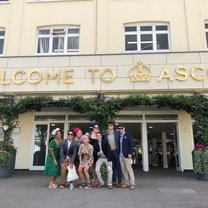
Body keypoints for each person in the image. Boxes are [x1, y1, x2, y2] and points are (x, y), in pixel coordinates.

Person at [104, 121, 122, 187]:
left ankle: (119, 181)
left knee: (118, 166)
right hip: (110, 152)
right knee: (112, 167)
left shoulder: (117, 133)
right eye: (109, 125)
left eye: (111, 125)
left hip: (116, 151)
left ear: (113, 126)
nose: (110, 126)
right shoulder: (105, 135)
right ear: (108, 127)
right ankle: (114, 181)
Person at [118, 124, 136, 190]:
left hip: (127, 155)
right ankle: (126, 183)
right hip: (120, 155)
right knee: (123, 170)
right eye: (119, 128)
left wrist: (130, 153)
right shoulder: (119, 136)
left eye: (122, 128)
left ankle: (132, 183)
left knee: (129, 169)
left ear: (124, 128)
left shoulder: (128, 135)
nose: (121, 129)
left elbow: (132, 145)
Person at [90, 123, 100, 187]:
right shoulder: (90, 135)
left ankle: (98, 180)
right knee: (93, 168)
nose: (96, 129)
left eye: (97, 128)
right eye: (95, 128)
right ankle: (94, 179)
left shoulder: (99, 135)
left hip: (98, 154)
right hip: (91, 154)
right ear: (93, 128)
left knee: (97, 168)